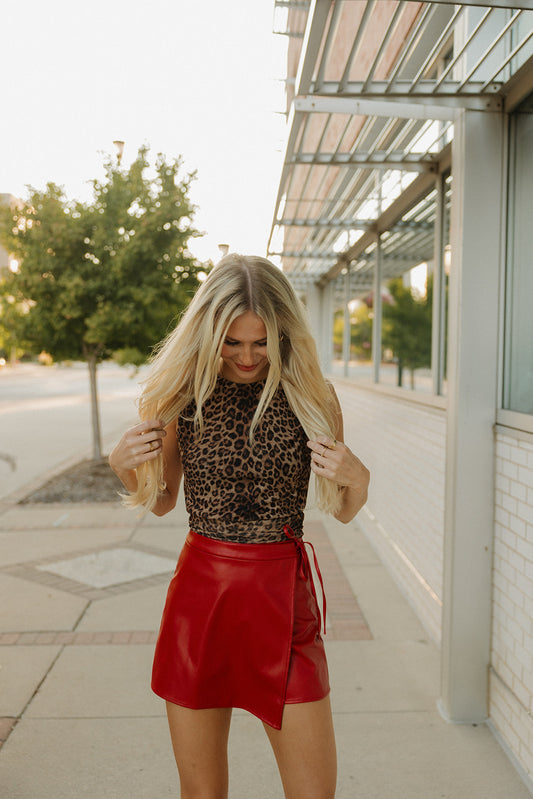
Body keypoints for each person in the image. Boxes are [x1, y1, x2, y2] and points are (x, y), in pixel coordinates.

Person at [109, 253, 369, 799]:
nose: (248, 356)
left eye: (262, 341)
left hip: (284, 605)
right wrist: (123, 466)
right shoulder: (179, 398)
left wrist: (358, 476)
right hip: (201, 605)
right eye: (232, 342)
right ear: (208, 332)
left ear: (283, 333)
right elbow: (161, 503)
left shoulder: (314, 397)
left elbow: (342, 508)